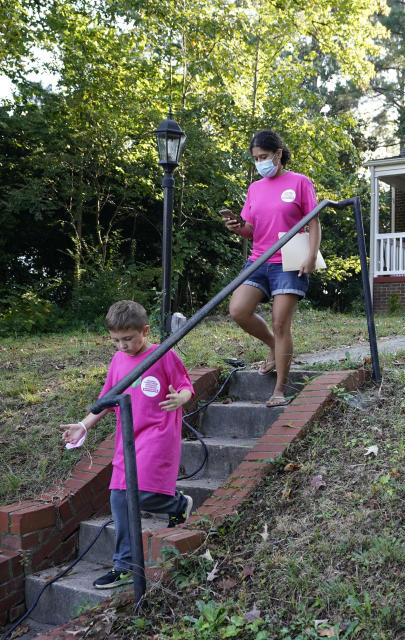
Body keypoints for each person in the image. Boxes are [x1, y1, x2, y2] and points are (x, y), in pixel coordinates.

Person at [61, 300, 195, 589]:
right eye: (116, 340)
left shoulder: (162, 355)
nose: (122, 345)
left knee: (141, 495)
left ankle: (177, 503)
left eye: (128, 339)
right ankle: (125, 566)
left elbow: (187, 386)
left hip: (158, 435)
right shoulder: (118, 360)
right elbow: (107, 400)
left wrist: (181, 399)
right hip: (128, 439)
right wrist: (83, 425)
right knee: (119, 500)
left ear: (144, 331)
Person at [219, 129, 320, 407]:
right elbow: (250, 230)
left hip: (289, 260)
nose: (260, 162)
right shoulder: (255, 188)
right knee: (238, 310)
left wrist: (311, 257)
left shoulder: (300, 182)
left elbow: (314, 222)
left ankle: (279, 390)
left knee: (280, 322)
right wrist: (237, 226)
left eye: (264, 156)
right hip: (259, 259)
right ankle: (273, 346)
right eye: (255, 158)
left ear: (278, 154)